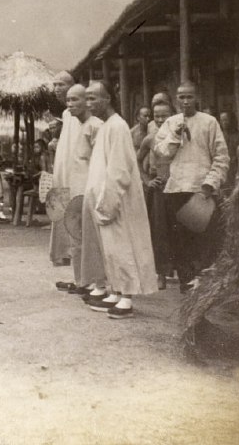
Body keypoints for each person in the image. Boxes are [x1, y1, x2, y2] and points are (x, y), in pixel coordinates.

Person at [82, 81, 157, 319]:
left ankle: (127, 297)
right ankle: (116, 290)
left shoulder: (119, 127)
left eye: (93, 98)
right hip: (106, 198)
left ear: (108, 100)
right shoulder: (106, 127)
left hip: (118, 199)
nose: (89, 103)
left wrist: (109, 200)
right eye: (87, 98)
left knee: (124, 246)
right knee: (112, 249)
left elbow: (120, 169)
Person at [155, 81, 229, 292]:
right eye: (181, 97)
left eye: (189, 97)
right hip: (176, 189)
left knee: (202, 240)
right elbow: (161, 154)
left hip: (201, 189)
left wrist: (209, 184)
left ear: (197, 98)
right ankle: (186, 284)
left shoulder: (209, 122)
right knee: (179, 241)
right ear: (175, 99)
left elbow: (222, 157)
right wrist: (175, 135)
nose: (185, 101)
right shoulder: (170, 123)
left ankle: (201, 284)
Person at [51, 84, 105, 296]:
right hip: (75, 191)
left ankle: (97, 284)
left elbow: (100, 163)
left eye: (75, 100)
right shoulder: (76, 124)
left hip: (90, 191)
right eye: (68, 100)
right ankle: (82, 281)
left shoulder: (97, 126)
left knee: (91, 239)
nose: (70, 104)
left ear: (87, 101)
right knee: (76, 238)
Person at [137, 99, 176, 290]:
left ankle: (184, 273)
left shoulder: (181, 137)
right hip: (159, 189)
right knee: (160, 231)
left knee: (179, 229)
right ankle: (161, 274)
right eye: (157, 116)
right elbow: (136, 161)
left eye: (165, 115)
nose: (161, 119)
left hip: (178, 188)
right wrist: (147, 180)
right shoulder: (150, 139)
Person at [48, 71, 77, 265]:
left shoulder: (77, 113)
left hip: (74, 170)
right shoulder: (66, 114)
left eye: (61, 84)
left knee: (72, 210)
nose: (57, 89)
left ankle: (72, 251)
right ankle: (64, 252)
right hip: (63, 168)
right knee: (61, 209)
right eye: (55, 85)